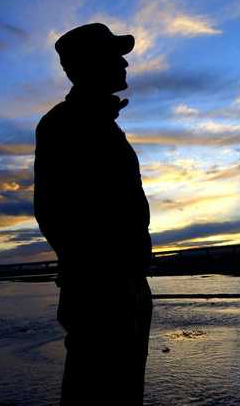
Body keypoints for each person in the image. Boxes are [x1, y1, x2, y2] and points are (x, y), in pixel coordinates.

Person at [33, 23, 154, 405]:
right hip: (101, 290)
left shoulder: (102, 125)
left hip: (124, 283)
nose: (123, 63)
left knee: (123, 390)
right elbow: (52, 212)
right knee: (95, 390)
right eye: (113, 55)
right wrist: (101, 273)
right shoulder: (65, 125)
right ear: (85, 65)